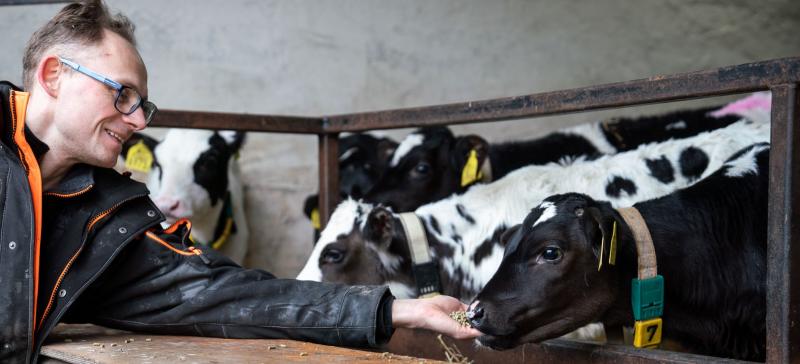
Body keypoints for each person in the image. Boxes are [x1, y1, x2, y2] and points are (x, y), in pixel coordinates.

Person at [0, 1, 481, 363]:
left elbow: (229, 295)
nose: (137, 120)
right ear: (55, 75)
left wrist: (397, 310)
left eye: (141, 104)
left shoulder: (107, 221)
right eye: (122, 94)